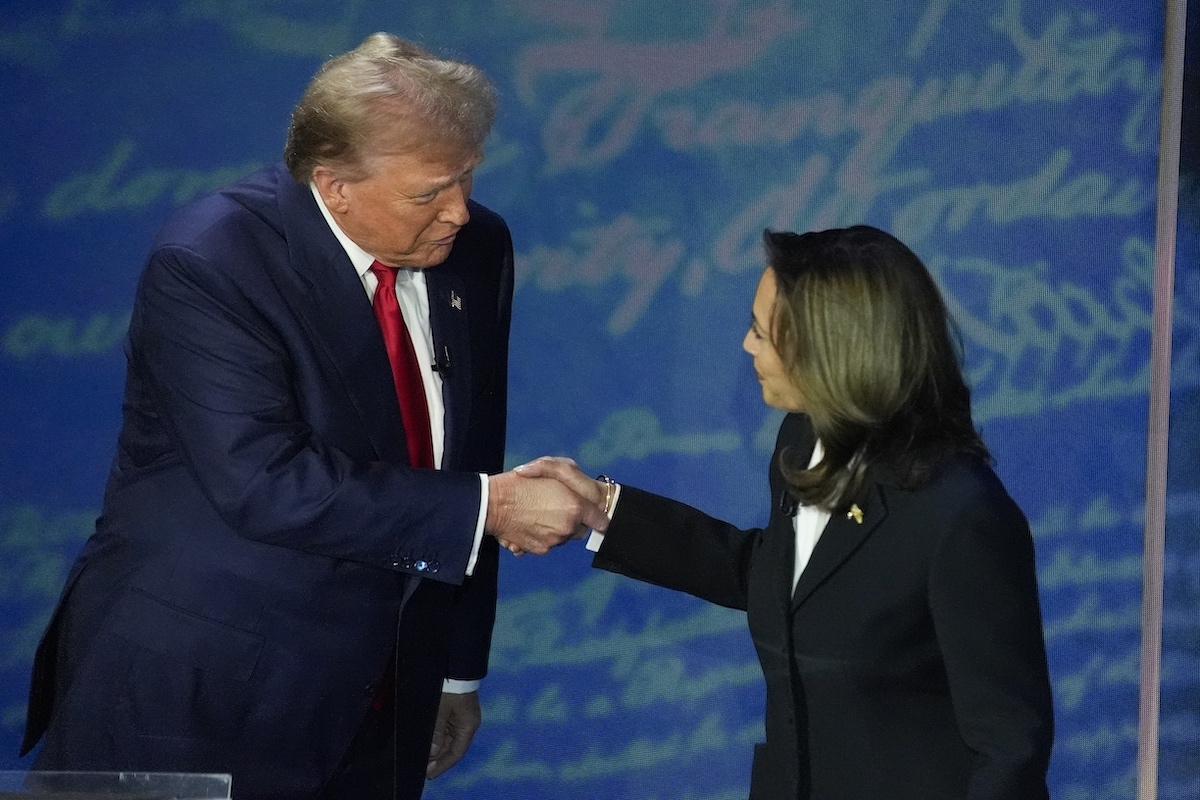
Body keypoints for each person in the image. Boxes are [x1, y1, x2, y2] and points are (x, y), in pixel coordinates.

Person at [21, 33, 606, 800]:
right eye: (430, 192)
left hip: (387, 689)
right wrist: (493, 508)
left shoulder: (477, 246)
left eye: (466, 177)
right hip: (204, 688)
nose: (459, 211)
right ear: (332, 186)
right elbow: (264, 480)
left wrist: (456, 667)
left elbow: (470, 446)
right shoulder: (213, 261)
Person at [522, 226, 1055, 800]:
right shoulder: (801, 441)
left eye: (761, 331)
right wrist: (606, 510)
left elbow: (1009, 749)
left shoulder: (961, 516)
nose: (748, 347)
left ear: (833, 352)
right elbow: (785, 580)